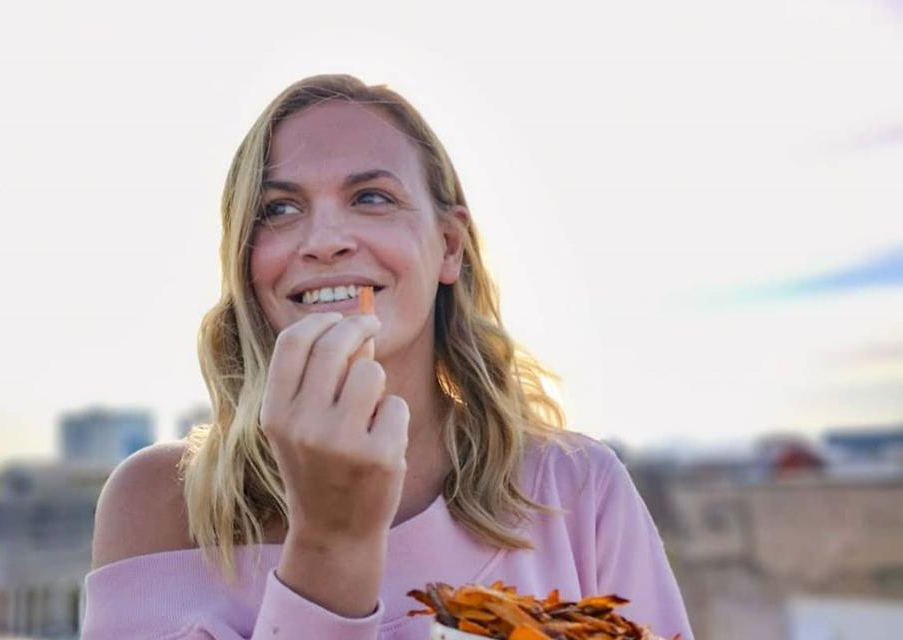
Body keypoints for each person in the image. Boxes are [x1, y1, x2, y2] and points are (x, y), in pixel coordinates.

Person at [81, 74, 694, 640]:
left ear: (449, 246)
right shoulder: (161, 505)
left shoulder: (576, 488)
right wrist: (329, 544)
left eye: (371, 197)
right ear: (246, 260)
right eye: (279, 209)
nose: (324, 242)